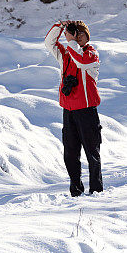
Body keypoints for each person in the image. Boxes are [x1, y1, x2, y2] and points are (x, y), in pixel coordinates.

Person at [44, 20, 103, 197]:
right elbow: (49, 43)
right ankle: (76, 191)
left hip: (86, 110)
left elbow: (81, 62)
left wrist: (71, 41)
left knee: (92, 152)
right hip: (68, 111)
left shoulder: (91, 54)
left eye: (81, 35)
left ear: (87, 37)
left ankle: (96, 191)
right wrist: (60, 26)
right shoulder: (65, 54)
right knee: (70, 153)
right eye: (74, 34)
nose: (77, 38)